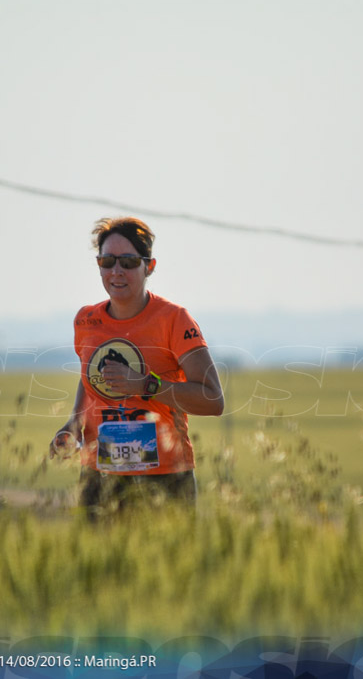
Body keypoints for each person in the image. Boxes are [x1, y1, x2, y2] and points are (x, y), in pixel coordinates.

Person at [51, 217, 224, 515]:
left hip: (165, 477)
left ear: (150, 266)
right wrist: (74, 425)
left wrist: (144, 385)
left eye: (129, 262)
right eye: (107, 261)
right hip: (99, 476)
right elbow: (88, 378)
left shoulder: (174, 319)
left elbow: (212, 399)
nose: (116, 271)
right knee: (100, 563)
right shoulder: (86, 320)